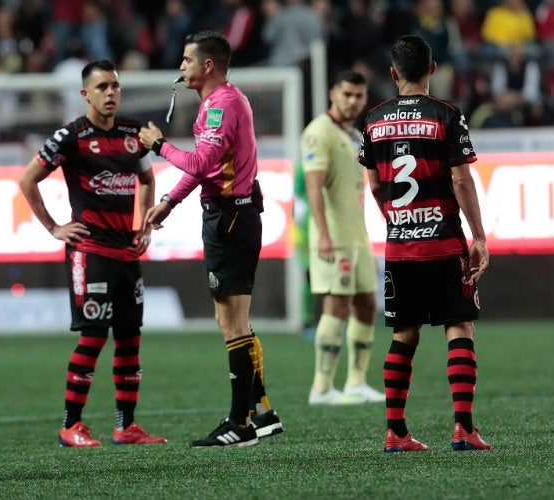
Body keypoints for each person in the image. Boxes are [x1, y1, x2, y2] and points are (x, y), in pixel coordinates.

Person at [138, 30, 283, 448]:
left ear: (207, 66)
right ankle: (263, 413)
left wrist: (159, 145)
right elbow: (205, 168)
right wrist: (169, 200)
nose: (180, 67)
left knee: (232, 322)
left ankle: (241, 424)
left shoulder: (222, 105)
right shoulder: (220, 102)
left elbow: (201, 161)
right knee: (233, 320)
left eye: (186, 60)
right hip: (229, 215)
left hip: (230, 219)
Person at [19, 59, 166, 448]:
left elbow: (147, 178)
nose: (111, 93)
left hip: (127, 252)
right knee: (93, 337)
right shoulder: (71, 136)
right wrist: (54, 228)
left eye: (115, 86)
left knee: (130, 338)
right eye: (102, 87)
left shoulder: (135, 134)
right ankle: (71, 425)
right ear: (85, 94)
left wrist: (145, 224)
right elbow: (27, 179)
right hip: (91, 252)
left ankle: (126, 426)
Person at [358, 35, 493, 452]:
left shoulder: (374, 120)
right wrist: (480, 236)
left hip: (401, 247)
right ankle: (463, 429)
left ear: (393, 73)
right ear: (433, 69)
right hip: (444, 244)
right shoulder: (447, 115)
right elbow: (460, 179)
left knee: (404, 334)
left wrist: (397, 221)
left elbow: (376, 183)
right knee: (459, 325)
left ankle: (396, 432)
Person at [301, 69, 385, 406]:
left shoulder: (353, 135)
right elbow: (313, 187)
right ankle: (321, 388)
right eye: (347, 94)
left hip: (357, 235)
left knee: (367, 303)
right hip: (333, 236)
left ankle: (355, 382)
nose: (352, 101)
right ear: (333, 94)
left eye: (359, 96)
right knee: (336, 304)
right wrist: (322, 234)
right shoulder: (318, 132)